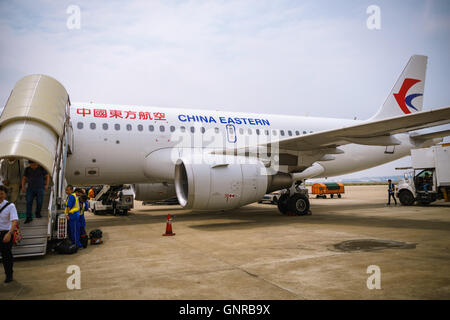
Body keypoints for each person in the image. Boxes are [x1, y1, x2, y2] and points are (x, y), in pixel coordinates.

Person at [0, 185, 19, 283]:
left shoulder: (10, 206)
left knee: (6, 256)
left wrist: (9, 233)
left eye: (2, 193)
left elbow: (14, 221)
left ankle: (9, 275)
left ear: (5, 194)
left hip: (6, 233)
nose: (0, 195)